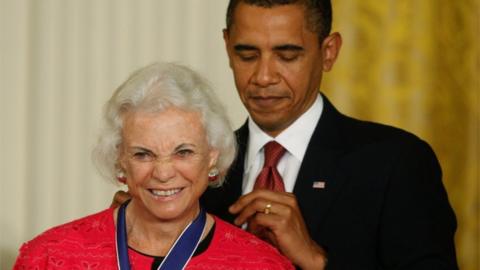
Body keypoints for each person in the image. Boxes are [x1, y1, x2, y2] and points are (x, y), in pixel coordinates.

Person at [200, 0, 458, 269]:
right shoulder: (199, 168)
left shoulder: (397, 162)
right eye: (247, 55)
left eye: (287, 55)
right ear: (227, 46)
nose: (264, 77)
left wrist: (316, 259)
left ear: (328, 52)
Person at [14, 62, 294, 269]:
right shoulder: (49, 257)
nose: (162, 173)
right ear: (120, 159)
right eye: (143, 154)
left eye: (183, 152)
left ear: (212, 155)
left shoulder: (261, 264)